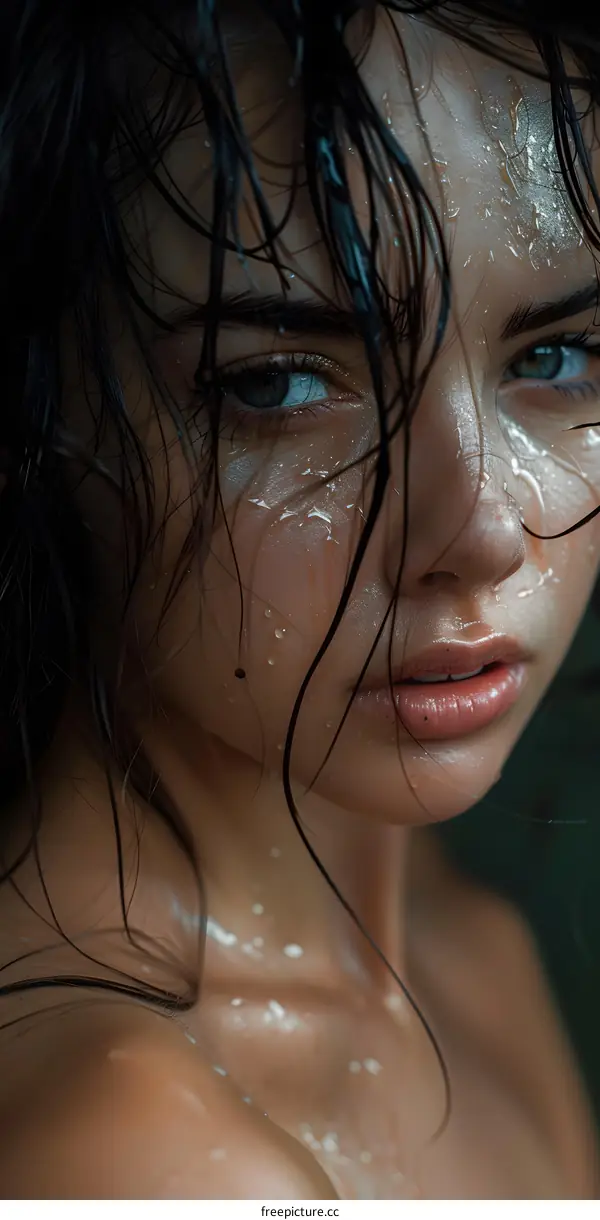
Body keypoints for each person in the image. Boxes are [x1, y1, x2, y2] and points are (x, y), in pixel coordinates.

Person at [0, 0, 599, 1200]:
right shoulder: (143, 1149)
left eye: (554, 356)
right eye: (276, 383)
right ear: (50, 403)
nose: (479, 531)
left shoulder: (455, 940)